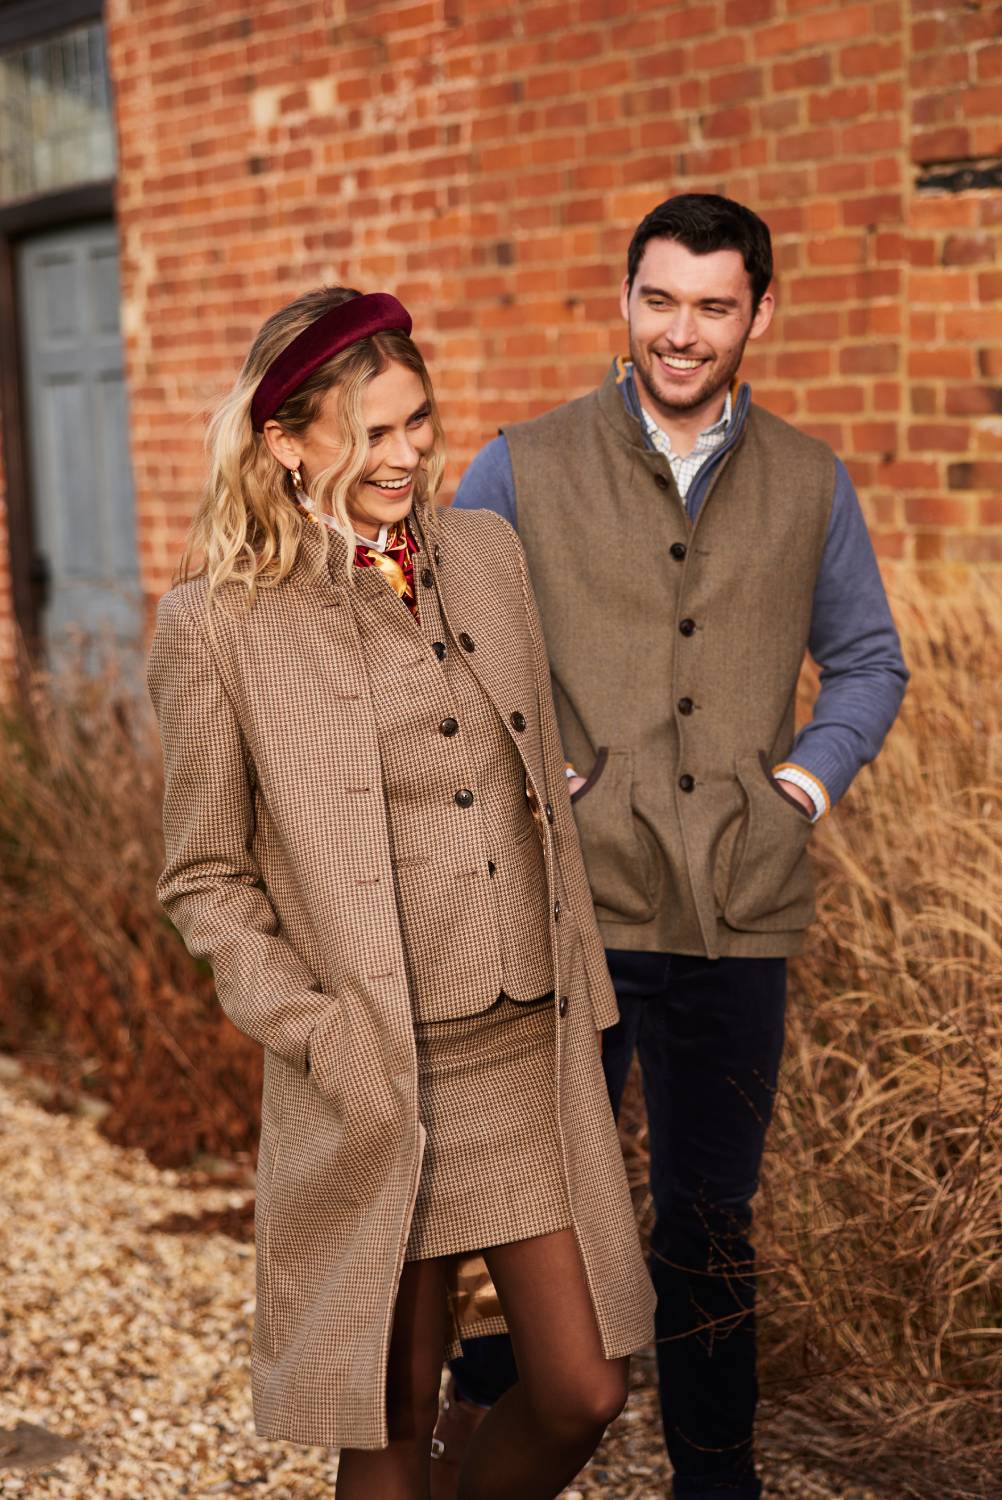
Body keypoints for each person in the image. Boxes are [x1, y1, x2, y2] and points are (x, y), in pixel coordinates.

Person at [146, 286, 654, 1500]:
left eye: (417, 421)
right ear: (286, 443)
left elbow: (530, 767)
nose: (407, 453)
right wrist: (316, 1029)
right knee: (388, 1417)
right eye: (371, 432)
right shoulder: (216, 626)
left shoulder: (484, 556)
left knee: (584, 1389)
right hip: (375, 1068)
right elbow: (203, 875)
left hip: (523, 1050)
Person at [439, 193, 909, 1500]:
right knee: (530, 1206)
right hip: (562, 915)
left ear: (760, 313)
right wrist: (538, 775)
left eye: (712, 306)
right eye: (659, 300)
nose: (681, 332)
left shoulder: (810, 481)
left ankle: (715, 1483)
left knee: (709, 1225)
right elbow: (443, 649)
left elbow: (869, 660)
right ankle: (471, 1455)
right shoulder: (519, 466)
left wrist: (800, 789)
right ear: (625, 300)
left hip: (736, 914)